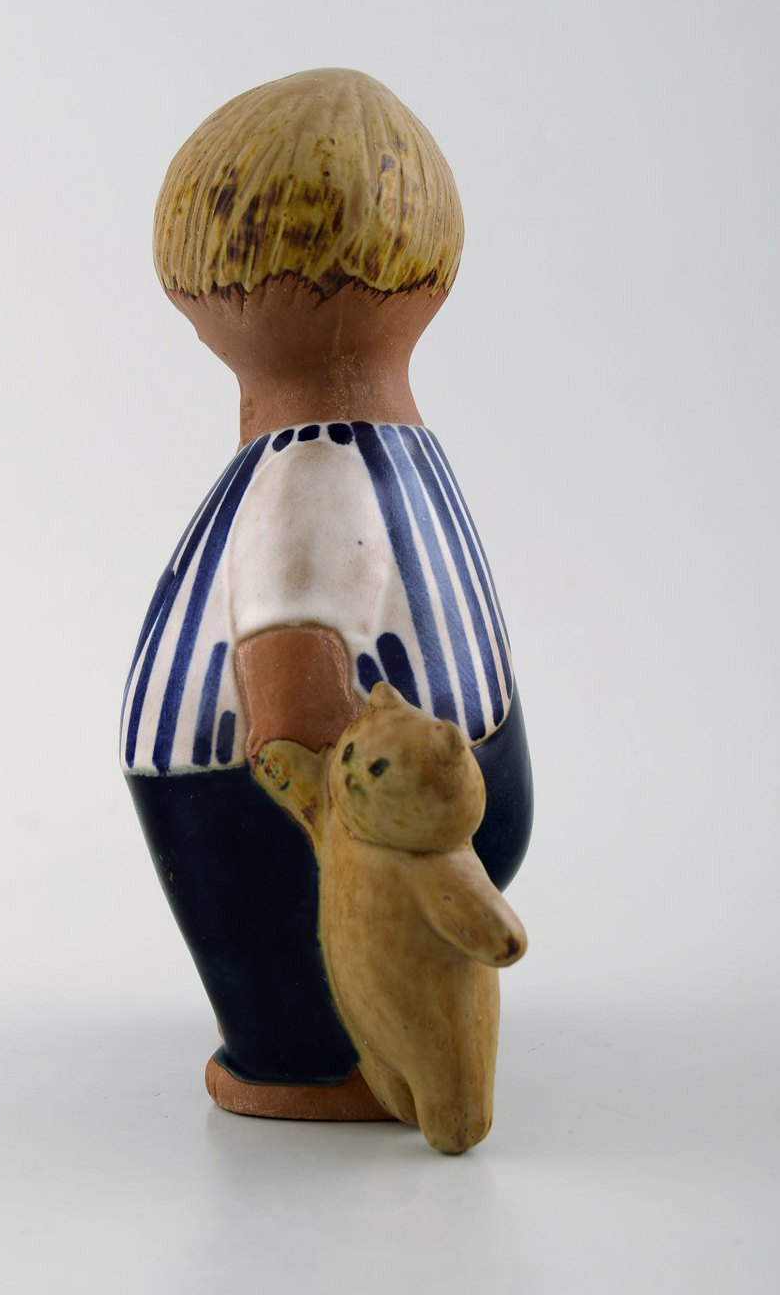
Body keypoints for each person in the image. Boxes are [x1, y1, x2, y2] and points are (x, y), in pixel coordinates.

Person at [122, 68, 532, 1119]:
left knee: (283, 973)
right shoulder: (398, 442)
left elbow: (291, 690)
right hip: (463, 772)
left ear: (243, 284)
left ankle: (318, 1052)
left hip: (295, 821)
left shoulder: (305, 473)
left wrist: (345, 858)